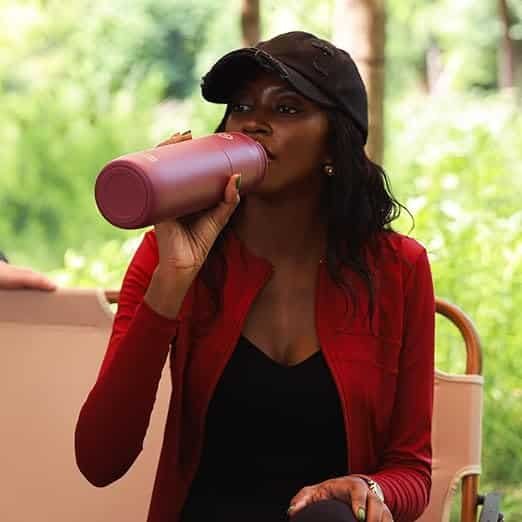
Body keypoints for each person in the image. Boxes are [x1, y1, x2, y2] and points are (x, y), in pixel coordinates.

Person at [75, 31, 435, 522]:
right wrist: (172, 283)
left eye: (286, 108)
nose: (254, 123)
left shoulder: (398, 268)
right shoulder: (170, 252)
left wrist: (369, 488)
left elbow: (412, 471)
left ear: (335, 144)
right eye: (241, 106)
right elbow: (99, 460)